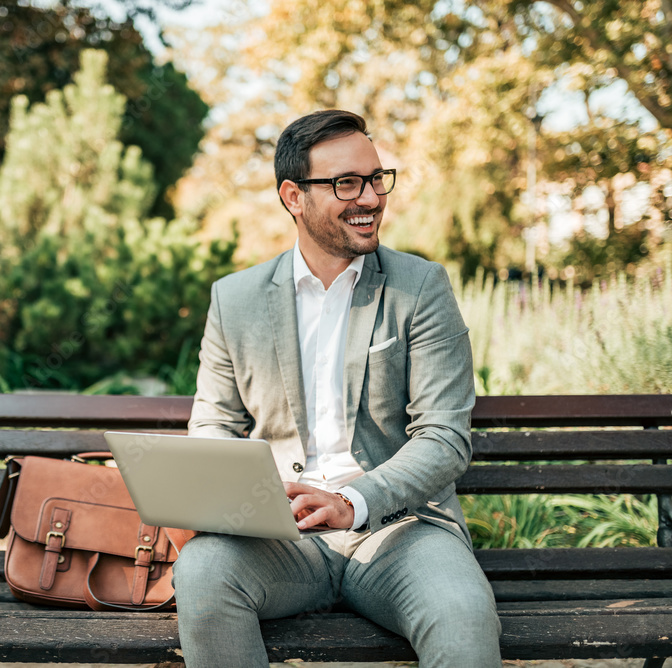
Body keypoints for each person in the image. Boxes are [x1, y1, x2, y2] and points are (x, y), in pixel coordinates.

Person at [172, 109, 502, 667]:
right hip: (280, 539)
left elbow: (444, 437)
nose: (371, 198)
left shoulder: (420, 288)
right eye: (346, 183)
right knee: (202, 571)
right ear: (293, 196)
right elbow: (212, 425)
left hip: (400, 531)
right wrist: (246, 493)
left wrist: (352, 501)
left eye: (376, 179)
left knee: (463, 615)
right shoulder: (236, 299)